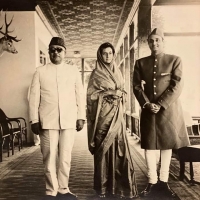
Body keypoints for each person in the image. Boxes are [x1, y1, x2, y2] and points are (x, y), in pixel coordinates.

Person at [133, 28, 190, 198]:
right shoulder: (140, 63)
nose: (154, 43)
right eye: (151, 41)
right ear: (148, 43)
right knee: (150, 146)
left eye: (157, 40)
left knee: (166, 146)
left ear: (163, 42)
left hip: (169, 110)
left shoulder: (175, 60)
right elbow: (136, 86)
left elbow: (177, 85)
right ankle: (152, 181)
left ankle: (163, 182)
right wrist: (146, 104)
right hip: (149, 111)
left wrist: (161, 104)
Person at [29, 37, 86, 200]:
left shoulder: (72, 71)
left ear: (65, 52)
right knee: (49, 157)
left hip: (68, 119)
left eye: (59, 49)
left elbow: (79, 95)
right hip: (47, 120)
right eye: (52, 49)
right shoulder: (40, 71)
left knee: (65, 157)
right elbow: (33, 97)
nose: (55, 52)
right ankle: (50, 190)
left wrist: (81, 116)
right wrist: (34, 119)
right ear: (48, 52)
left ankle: (63, 189)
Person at [87, 42, 138, 199]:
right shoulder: (96, 74)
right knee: (103, 148)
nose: (108, 56)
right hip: (103, 117)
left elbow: (123, 91)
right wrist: (109, 93)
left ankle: (120, 186)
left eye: (110, 53)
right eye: (104, 53)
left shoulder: (118, 71)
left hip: (117, 116)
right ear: (100, 55)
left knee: (119, 149)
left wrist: (121, 94)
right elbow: (91, 96)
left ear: (113, 54)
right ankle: (103, 187)